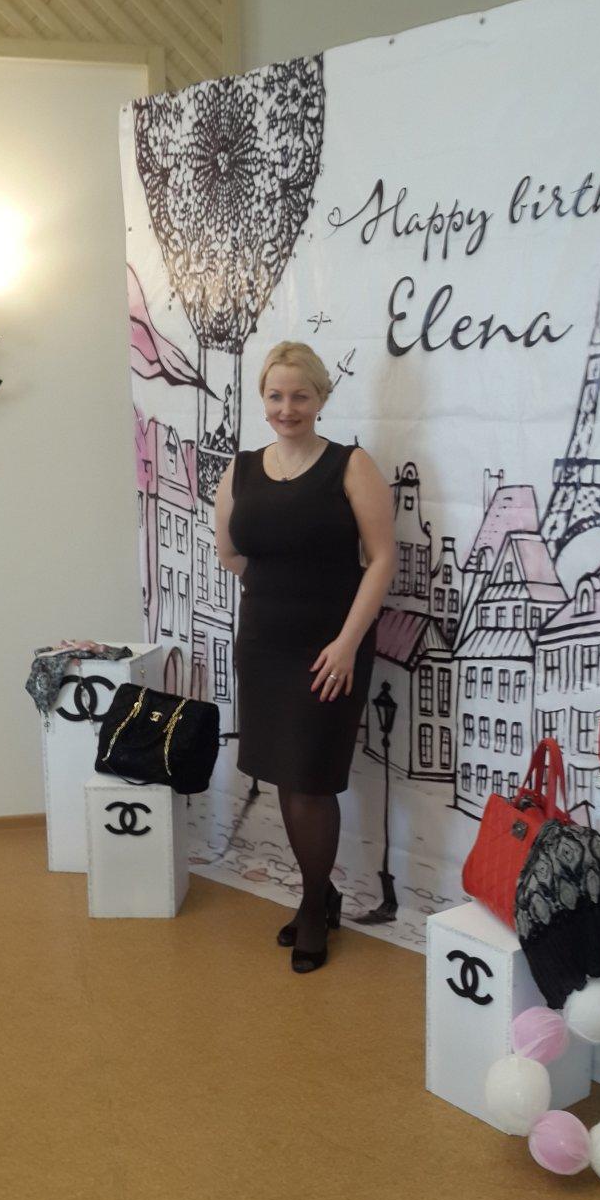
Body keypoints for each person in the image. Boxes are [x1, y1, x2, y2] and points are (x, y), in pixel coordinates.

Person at [215, 341, 397, 972]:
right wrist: (278, 592)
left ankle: (315, 907)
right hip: (264, 645)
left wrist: (346, 643)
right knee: (286, 777)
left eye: (300, 395)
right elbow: (230, 553)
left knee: (311, 781)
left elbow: (382, 560)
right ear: (262, 399)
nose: (286, 408)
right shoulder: (241, 469)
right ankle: (322, 894)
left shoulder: (350, 465)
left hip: (332, 649)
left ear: (321, 397)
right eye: (275, 395)